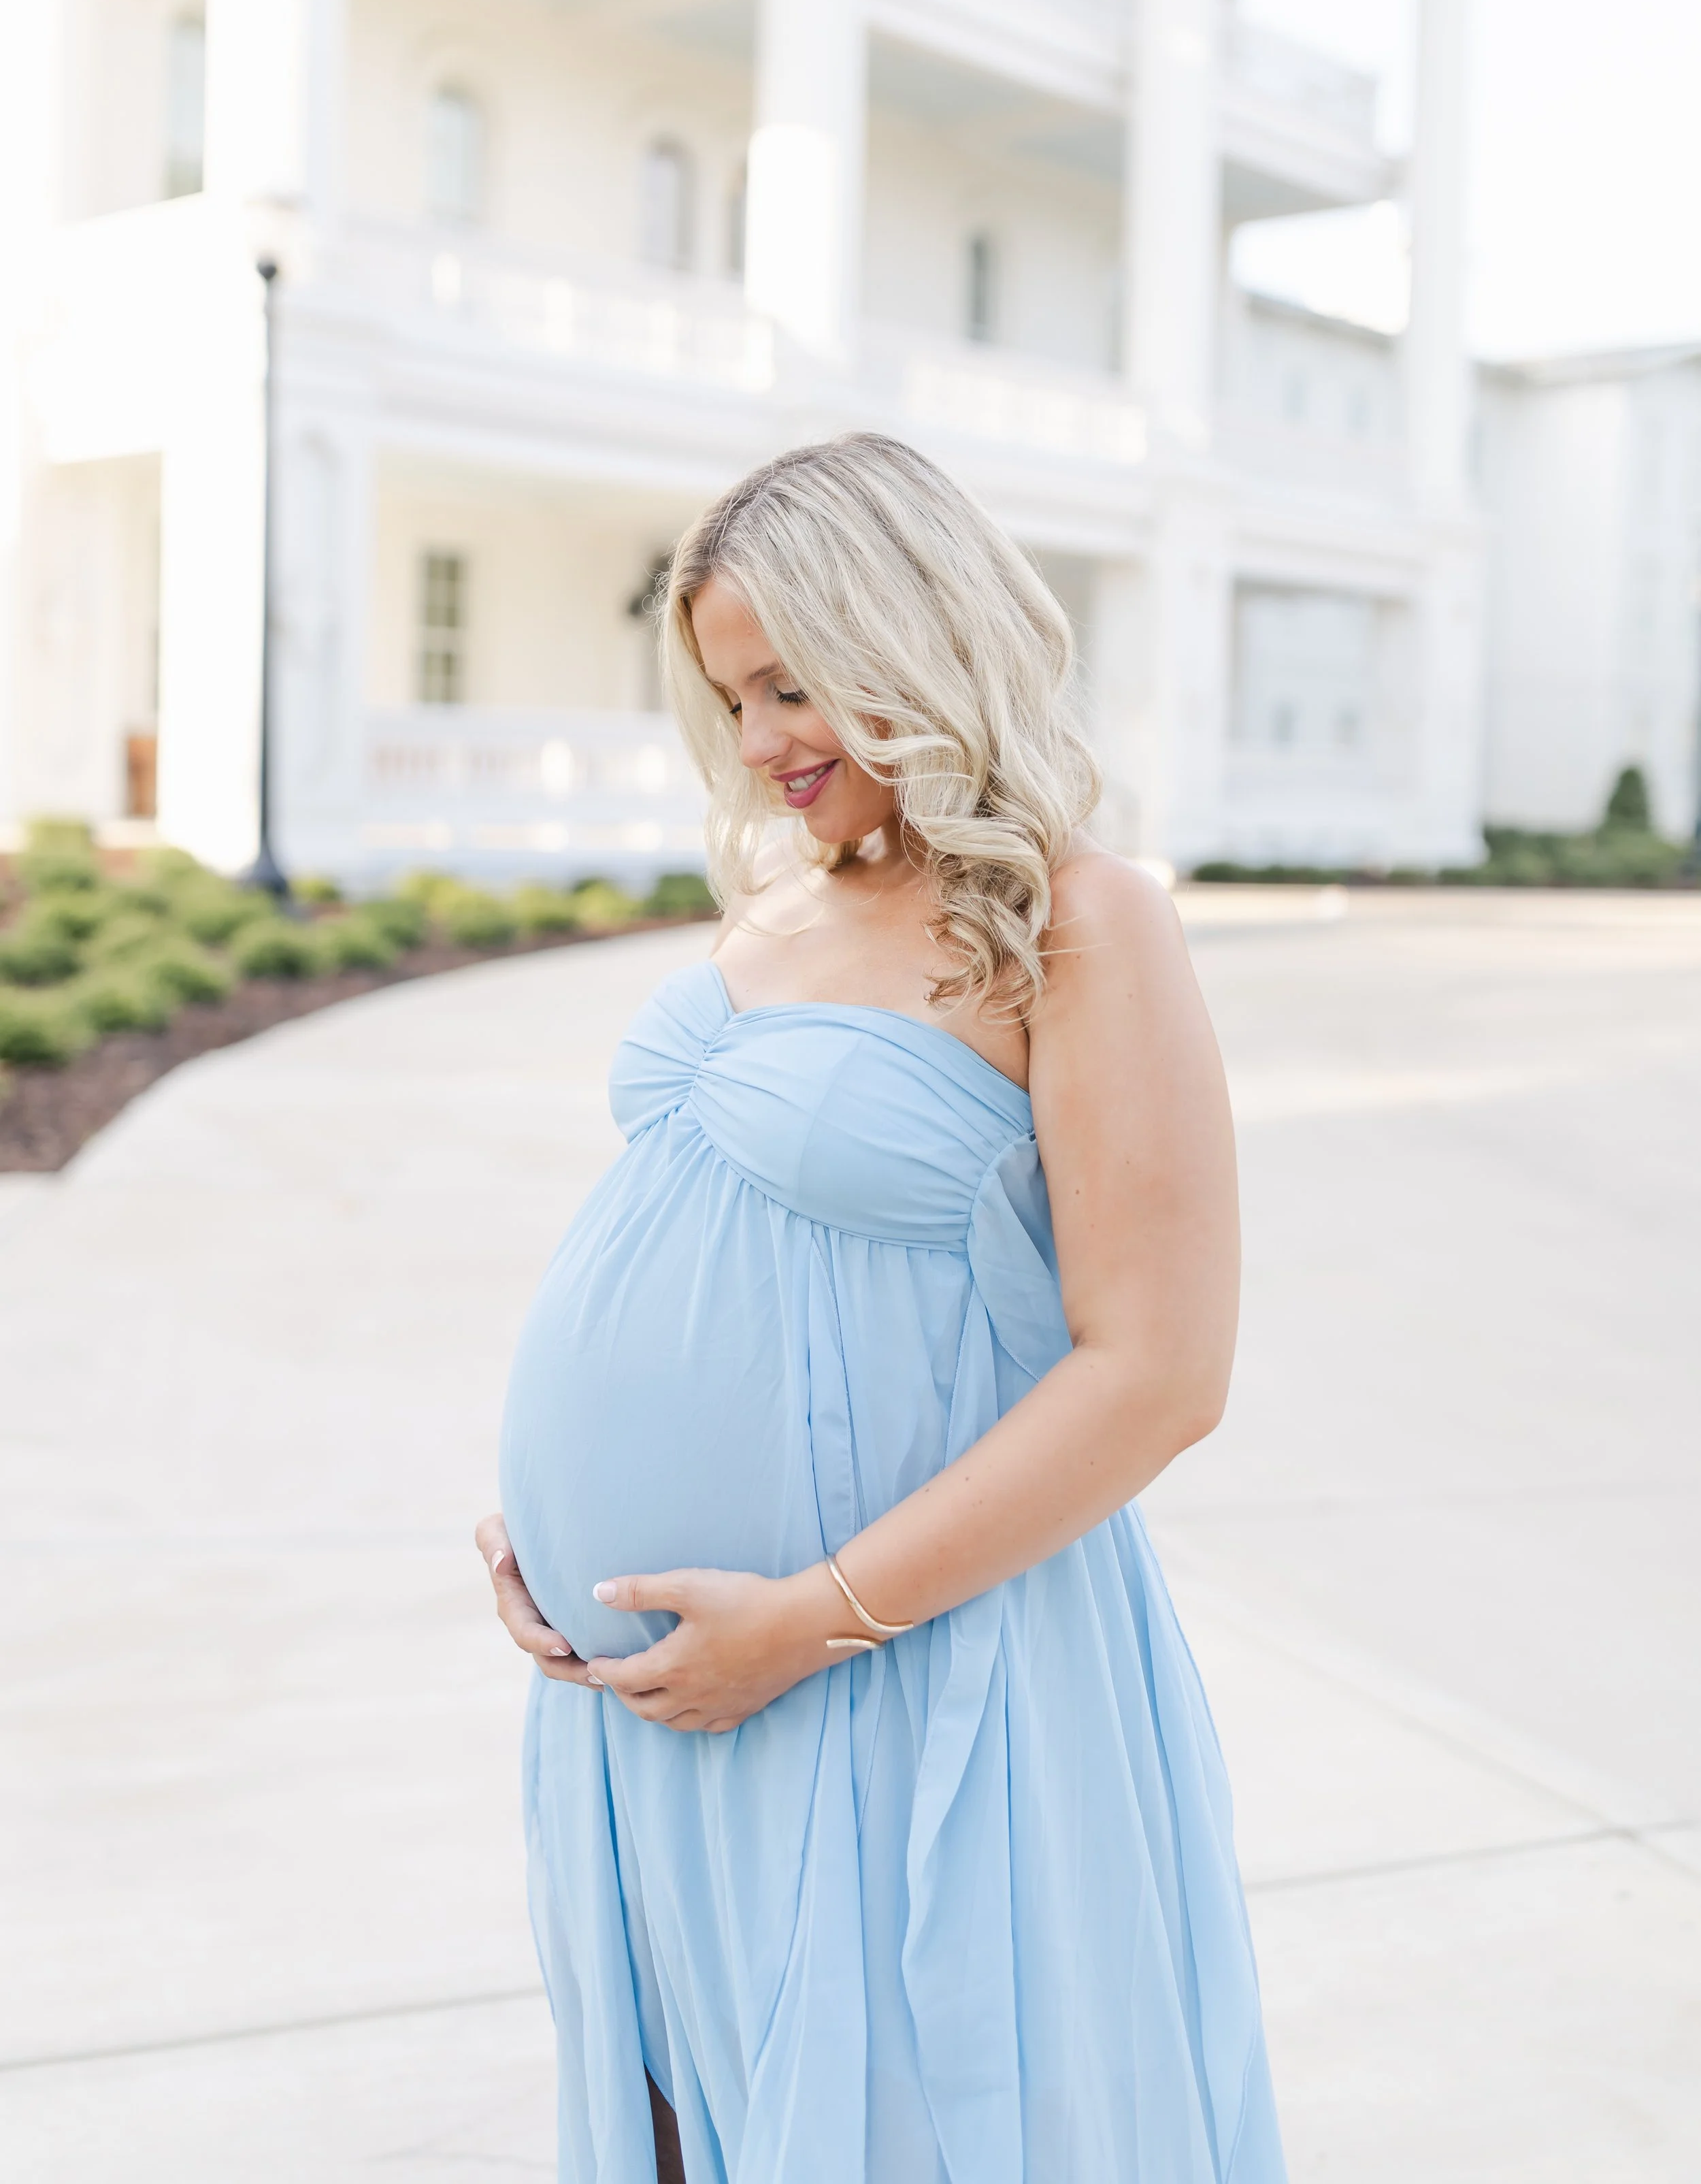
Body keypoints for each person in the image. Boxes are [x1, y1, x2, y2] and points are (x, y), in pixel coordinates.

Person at [476, 434, 1285, 2183]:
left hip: (900, 1670)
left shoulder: (1074, 922)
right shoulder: (787, 904)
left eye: (790, 684)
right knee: (703, 2124)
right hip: (660, 1691)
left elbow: (1159, 1369)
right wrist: (540, 1517)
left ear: (911, 643)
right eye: (728, 695)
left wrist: (811, 1623)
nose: (759, 740)